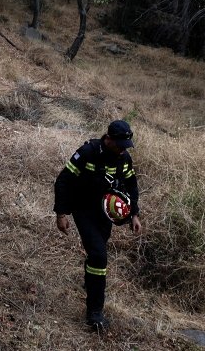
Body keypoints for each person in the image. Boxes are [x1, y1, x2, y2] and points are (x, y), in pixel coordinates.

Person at [53, 120, 143, 331]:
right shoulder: (88, 152)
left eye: (126, 146)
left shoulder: (124, 159)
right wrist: (61, 213)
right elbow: (63, 180)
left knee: (96, 255)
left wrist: (135, 215)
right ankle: (95, 311)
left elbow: (131, 185)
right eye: (119, 144)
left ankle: (91, 281)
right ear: (108, 139)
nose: (123, 150)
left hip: (105, 214)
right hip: (83, 210)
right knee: (99, 256)